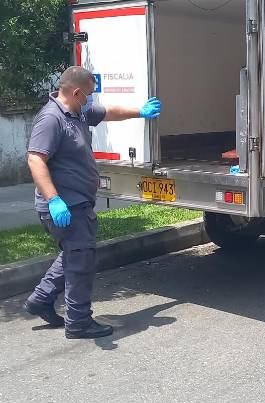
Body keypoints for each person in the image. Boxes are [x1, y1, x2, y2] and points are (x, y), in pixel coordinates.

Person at [23, 66, 162, 339]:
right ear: (75, 92)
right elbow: (35, 159)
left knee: (74, 254)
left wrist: (140, 111)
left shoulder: (79, 111)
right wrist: (54, 199)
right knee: (81, 263)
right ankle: (78, 323)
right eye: (88, 94)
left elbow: (108, 112)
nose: (90, 100)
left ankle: (40, 300)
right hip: (66, 206)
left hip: (78, 203)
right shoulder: (52, 119)